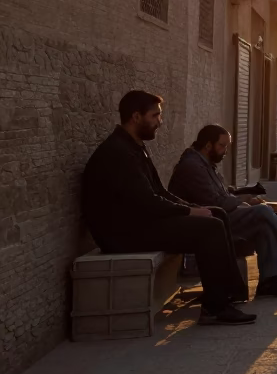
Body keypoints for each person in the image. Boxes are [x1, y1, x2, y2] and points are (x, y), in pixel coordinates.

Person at [82, 91, 254, 326]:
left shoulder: (134, 147)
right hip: (122, 234)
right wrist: (189, 212)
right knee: (209, 228)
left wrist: (193, 206)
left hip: (140, 223)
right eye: (155, 116)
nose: (159, 122)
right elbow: (147, 201)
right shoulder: (119, 153)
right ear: (136, 116)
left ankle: (229, 293)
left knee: (217, 213)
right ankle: (216, 307)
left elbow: (159, 192)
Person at [169, 125, 277, 297]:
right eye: (222, 146)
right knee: (263, 212)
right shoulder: (192, 166)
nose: (225, 151)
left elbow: (222, 192)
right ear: (208, 145)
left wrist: (244, 195)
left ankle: (270, 282)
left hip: (218, 218)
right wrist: (242, 201)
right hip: (205, 224)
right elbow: (214, 202)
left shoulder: (206, 164)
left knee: (265, 223)